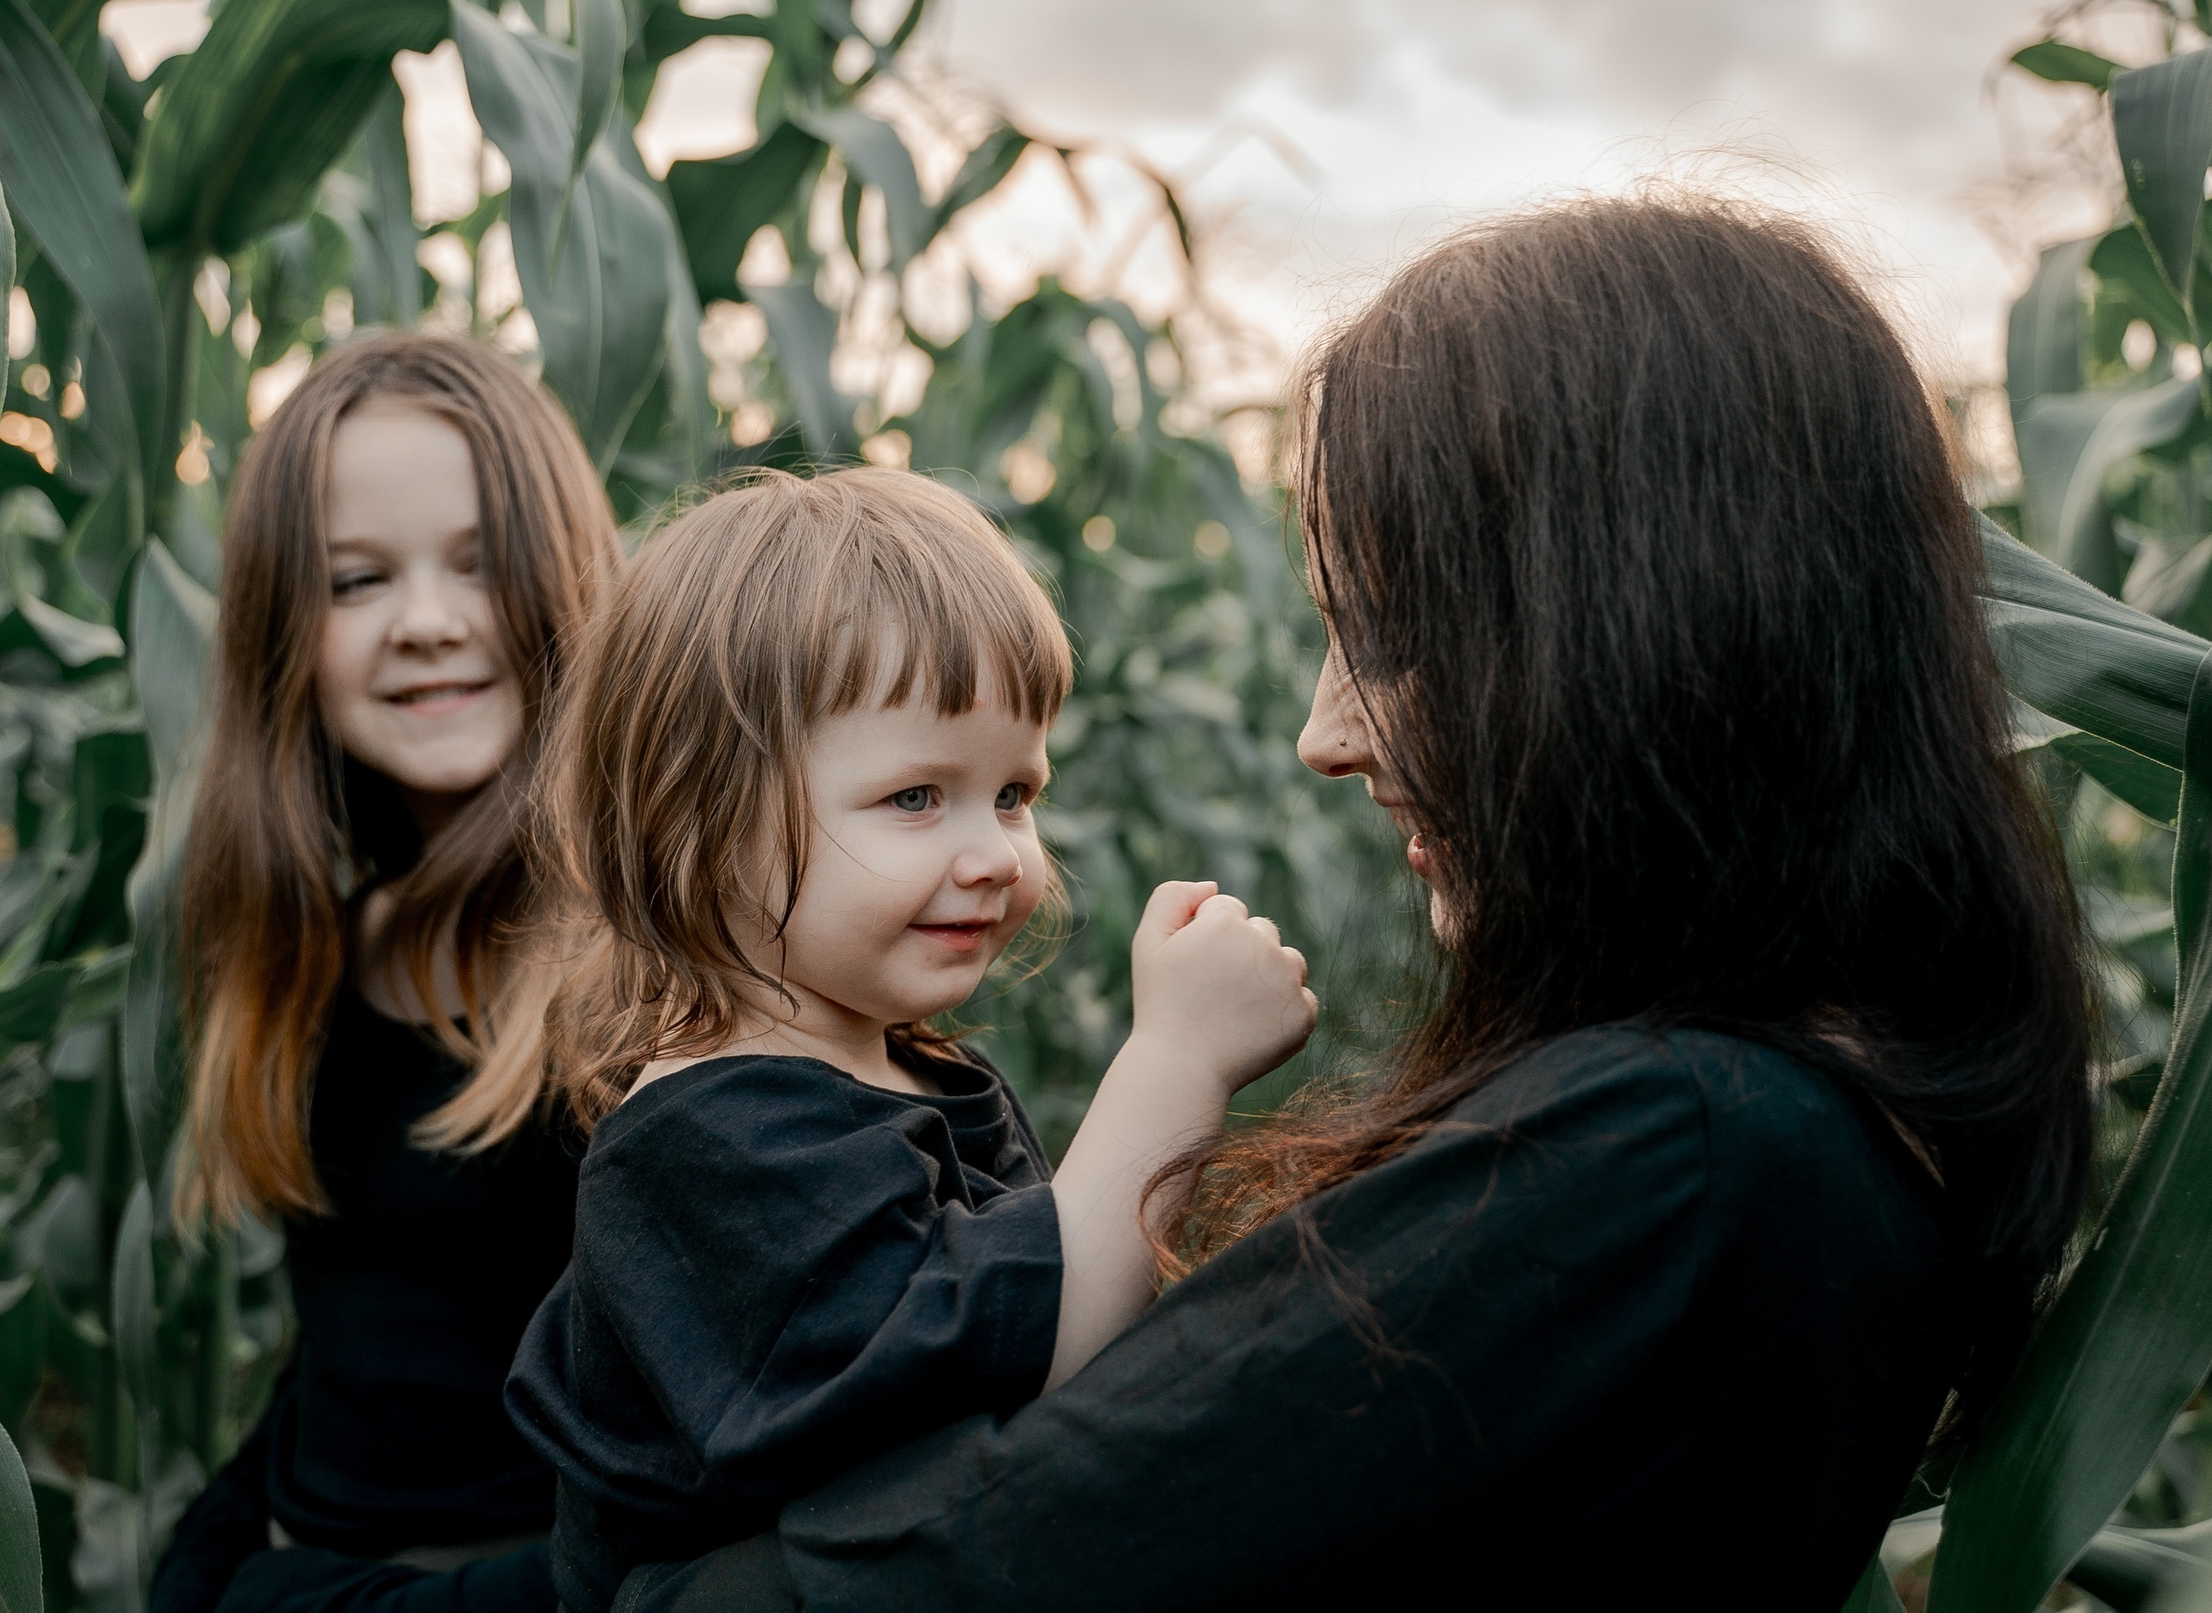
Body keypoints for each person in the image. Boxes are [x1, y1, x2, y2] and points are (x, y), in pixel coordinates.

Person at [606, 196, 2100, 1611]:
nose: (1323, 734)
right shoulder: (1802, 1133)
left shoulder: (1689, 1157)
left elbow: (972, 1562)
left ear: (1637, 632)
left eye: (1385, 635)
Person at [499, 468, 1319, 1612]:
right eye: (917, 796)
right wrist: (1177, 1059)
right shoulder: (713, 1141)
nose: (994, 854)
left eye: (1014, 792)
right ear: (699, 818)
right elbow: (1027, 1358)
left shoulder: (910, 1070)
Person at [149, 333, 623, 1613]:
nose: (426, 621)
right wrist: (211, 1562)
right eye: (356, 580)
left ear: (573, 577)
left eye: (481, 561)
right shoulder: (319, 943)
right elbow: (353, 1351)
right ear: (280, 634)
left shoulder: (652, 972)